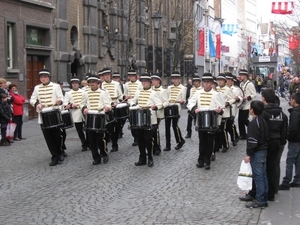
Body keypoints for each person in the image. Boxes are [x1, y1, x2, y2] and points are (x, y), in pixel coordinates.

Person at [239, 89, 288, 203]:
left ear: (264, 99)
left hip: (264, 144)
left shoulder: (262, 113)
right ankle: (271, 191)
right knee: (273, 167)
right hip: (277, 143)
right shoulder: (282, 114)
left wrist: (251, 150)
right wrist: (282, 141)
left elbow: (258, 131)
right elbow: (284, 130)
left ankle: (257, 194)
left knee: (259, 171)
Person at [187, 73, 223, 170]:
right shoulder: (198, 92)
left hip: (212, 120)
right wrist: (194, 109)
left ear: (211, 83)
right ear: (203, 83)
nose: (206, 84)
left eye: (208, 82)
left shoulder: (216, 94)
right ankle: (201, 160)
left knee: (210, 141)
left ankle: (208, 161)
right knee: (202, 141)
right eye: (205, 82)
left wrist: (219, 110)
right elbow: (190, 102)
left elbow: (221, 107)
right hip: (201, 120)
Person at [29, 69, 64, 166]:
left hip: (54, 113)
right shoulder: (37, 88)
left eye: (45, 77)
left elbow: (61, 98)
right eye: (41, 77)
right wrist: (37, 104)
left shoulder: (56, 86)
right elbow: (32, 99)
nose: (43, 79)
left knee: (57, 136)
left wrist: (59, 101)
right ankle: (54, 156)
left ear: (49, 77)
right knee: (48, 137)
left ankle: (59, 152)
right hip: (43, 115)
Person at [129, 72, 163, 167]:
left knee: (148, 140)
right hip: (139, 119)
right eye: (143, 81)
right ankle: (142, 158)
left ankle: (150, 158)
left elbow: (160, 104)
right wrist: (133, 105)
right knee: (140, 140)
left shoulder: (154, 93)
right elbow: (132, 100)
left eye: (146, 81)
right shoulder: (138, 92)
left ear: (150, 82)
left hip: (150, 119)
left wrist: (155, 107)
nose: (144, 83)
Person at [80, 74, 112, 165]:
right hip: (90, 117)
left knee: (100, 139)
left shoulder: (103, 92)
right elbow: (82, 104)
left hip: (100, 116)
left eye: (94, 82)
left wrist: (107, 107)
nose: (92, 84)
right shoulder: (85, 93)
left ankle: (104, 153)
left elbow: (108, 103)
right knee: (91, 140)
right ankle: (96, 157)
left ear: (97, 83)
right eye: (90, 82)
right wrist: (84, 109)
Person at [243, 100, 269, 209]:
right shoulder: (262, 120)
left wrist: (248, 154)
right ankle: (263, 196)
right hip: (263, 150)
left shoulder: (254, 123)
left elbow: (253, 141)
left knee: (258, 177)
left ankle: (260, 199)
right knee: (263, 175)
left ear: (252, 110)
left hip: (257, 152)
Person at [278, 92, 300, 190]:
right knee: (298, 161)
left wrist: (288, 136)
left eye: (291, 99)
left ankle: (286, 181)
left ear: (294, 100)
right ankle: (297, 179)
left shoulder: (295, 113)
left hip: (295, 140)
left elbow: (293, 128)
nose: (290, 101)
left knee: (290, 160)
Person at [101, 67, 124, 152]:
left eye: (108, 75)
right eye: (105, 75)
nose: (107, 76)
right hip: (107, 108)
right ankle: (112, 145)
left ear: (110, 75)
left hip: (116, 107)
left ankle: (115, 142)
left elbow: (120, 96)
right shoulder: (101, 85)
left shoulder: (116, 84)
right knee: (109, 128)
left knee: (117, 127)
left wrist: (123, 98)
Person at [64, 76, 88, 151]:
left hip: (84, 112)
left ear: (78, 84)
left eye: (76, 83)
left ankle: (88, 143)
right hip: (75, 114)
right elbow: (65, 104)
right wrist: (71, 105)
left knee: (87, 129)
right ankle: (84, 144)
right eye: (73, 83)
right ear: (71, 84)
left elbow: (87, 101)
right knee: (79, 130)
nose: (75, 84)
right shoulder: (68, 93)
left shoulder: (83, 92)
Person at [164, 71, 186, 151]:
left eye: (176, 78)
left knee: (174, 126)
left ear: (179, 79)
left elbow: (184, 99)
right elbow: (166, 97)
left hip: (176, 108)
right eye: (173, 78)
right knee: (167, 127)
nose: (175, 80)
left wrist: (182, 101)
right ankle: (168, 145)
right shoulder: (169, 88)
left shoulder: (183, 88)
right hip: (168, 107)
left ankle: (180, 140)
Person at [216, 73, 235, 152]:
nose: (219, 81)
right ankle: (219, 144)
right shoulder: (216, 89)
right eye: (218, 80)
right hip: (217, 112)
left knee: (223, 129)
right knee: (218, 130)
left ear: (225, 81)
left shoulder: (228, 89)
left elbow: (233, 99)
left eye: (221, 80)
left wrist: (227, 103)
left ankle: (226, 145)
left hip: (225, 113)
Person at [123, 69, 143, 146]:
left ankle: (137, 138)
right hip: (130, 105)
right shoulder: (126, 84)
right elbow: (124, 94)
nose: (131, 77)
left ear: (135, 76)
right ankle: (135, 136)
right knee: (131, 122)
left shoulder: (140, 84)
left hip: (137, 104)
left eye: (132, 76)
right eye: (130, 76)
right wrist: (126, 97)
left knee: (138, 121)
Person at [151, 72, 168, 155]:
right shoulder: (150, 90)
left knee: (155, 130)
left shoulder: (163, 90)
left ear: (159, 81)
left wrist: (159, 106)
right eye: (152, 80)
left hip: (158, 113)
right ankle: (152, 147)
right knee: (150, 131)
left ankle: (157, 147)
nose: (153, 81)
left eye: (155, 80)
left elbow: (166, 102)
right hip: (150, 113)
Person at [238, 69, 257, 140]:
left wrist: (248, 97)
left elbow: (254, 94)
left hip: (247, 105)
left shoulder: (250, 84)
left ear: (245, 76)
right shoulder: (241, 84)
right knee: (240, 121)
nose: (240, 76)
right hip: (241, 104)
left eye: (242, 75)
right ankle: (242, 135)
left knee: (244, 119)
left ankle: (253, 129)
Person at [225, 73, 243, 146]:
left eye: (228, 80)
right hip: (224, 110)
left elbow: (241, 97)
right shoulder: (221, 88)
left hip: (232, 109)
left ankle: (234, 138)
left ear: (232, 81)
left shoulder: (236, 89)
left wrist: (238, 99)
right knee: (225, 126)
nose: (227, 81)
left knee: (230, 125)